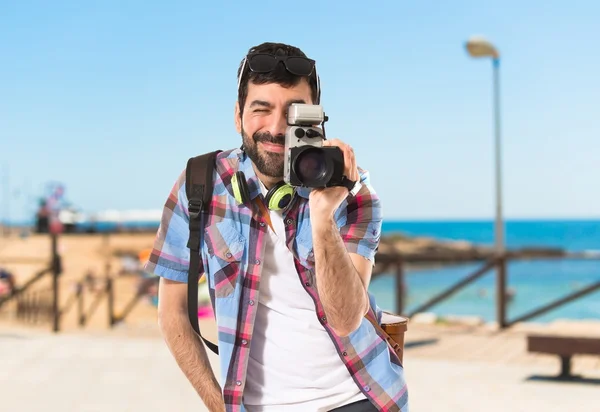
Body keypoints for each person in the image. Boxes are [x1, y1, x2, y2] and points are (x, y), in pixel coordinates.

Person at [144, 42, 408, 412]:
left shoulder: (353, 191)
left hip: (358, 399)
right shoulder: (198, 185)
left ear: (316, 120)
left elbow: (347, 319)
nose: (276, 126)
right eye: (261, 109)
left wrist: (322, 216)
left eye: (293, 112)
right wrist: (219, 407)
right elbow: (171, 313)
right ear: (238, 116)